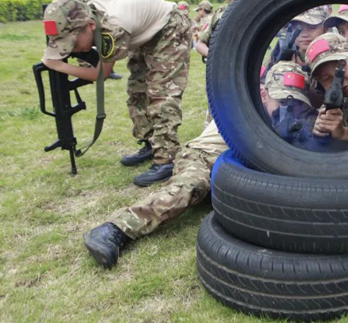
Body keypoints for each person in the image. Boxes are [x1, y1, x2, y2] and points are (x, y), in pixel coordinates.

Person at [82, 61, 316, 269]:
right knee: (190, 187)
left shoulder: (288, 122)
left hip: (233, 174)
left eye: (294, 104)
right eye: (282, 101)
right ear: (263, 94)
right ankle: (116, 229)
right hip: (203, 157)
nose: (288, 110)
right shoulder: (247, 111)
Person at [41, 0, 191, 186]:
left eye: (72, 43)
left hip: (169, 27)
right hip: (144, 31)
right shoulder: (83, 15)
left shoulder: (112, 28)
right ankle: (150, 145)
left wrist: (60, 66)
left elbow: (101, 74)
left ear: (90, 26)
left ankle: (166, 159)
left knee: (161, 93)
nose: (71, 50)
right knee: (137, 90)